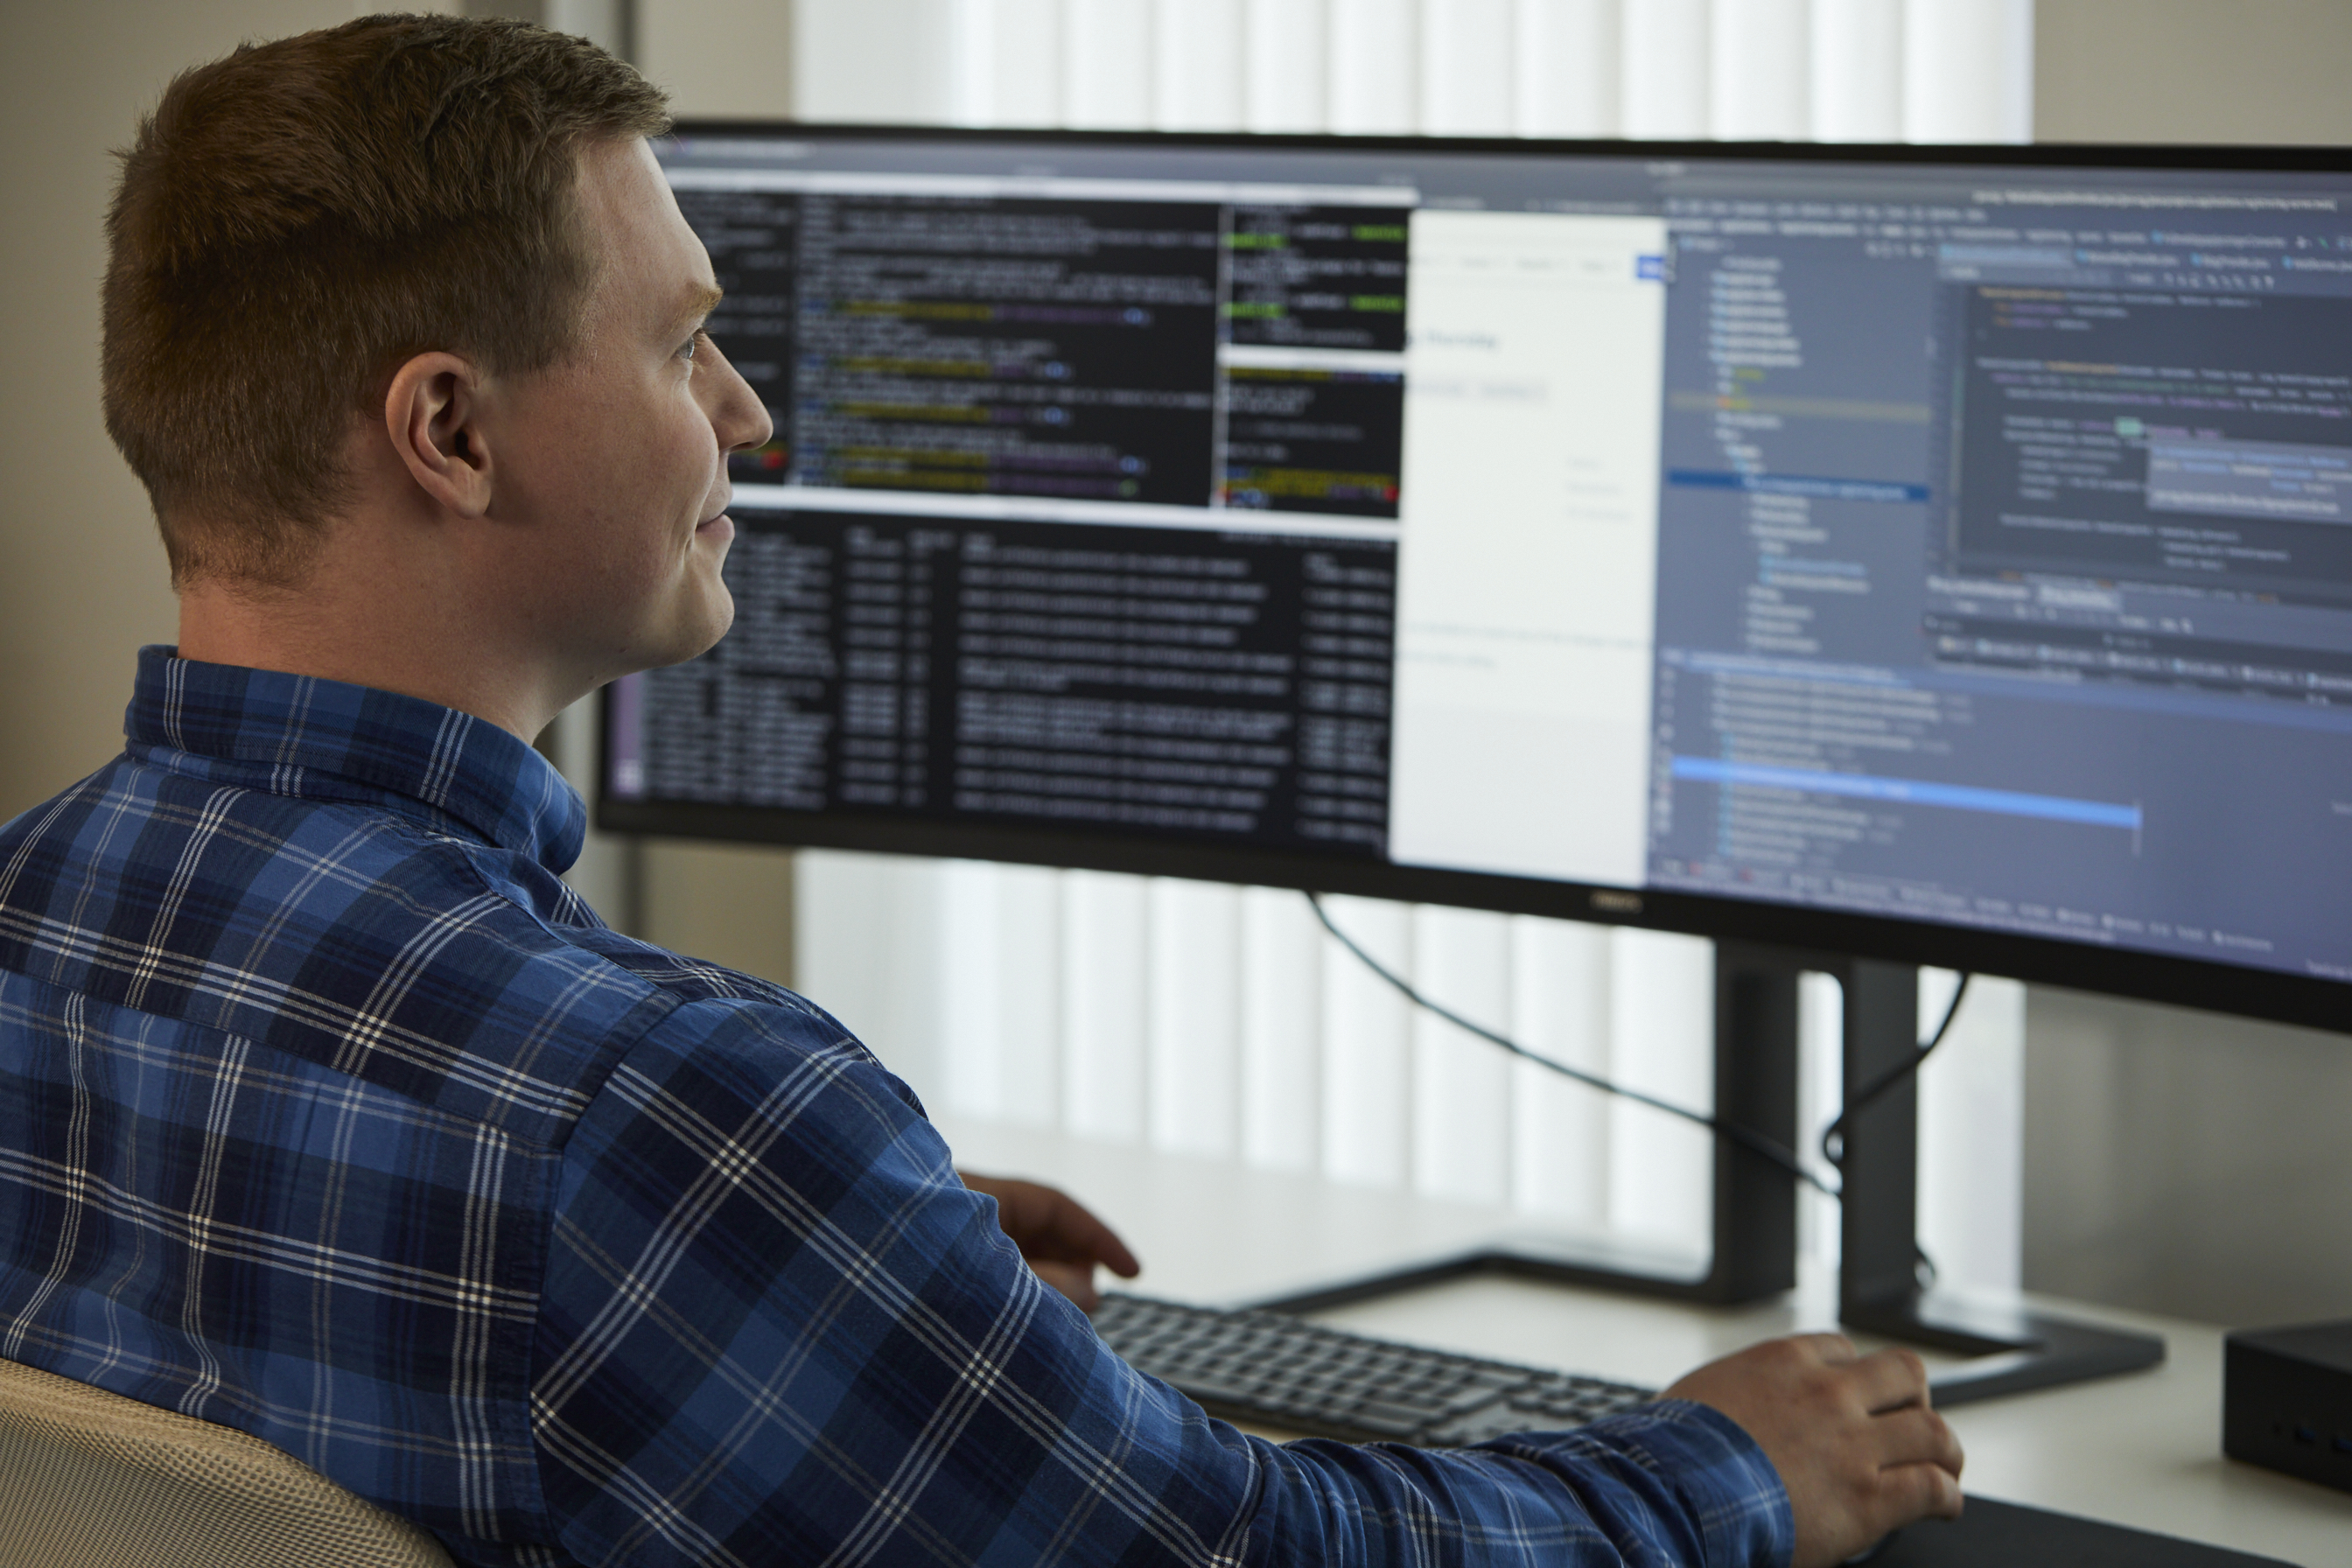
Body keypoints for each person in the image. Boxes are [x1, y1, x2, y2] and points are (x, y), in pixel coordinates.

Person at [0, 15, 1963, 1566]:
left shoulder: (30, 910)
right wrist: (1721, 1469)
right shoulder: (660, 1116)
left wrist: (867, 1269)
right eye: (684, 342)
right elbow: (1238, 1554)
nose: (748, 409)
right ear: (450, 429)